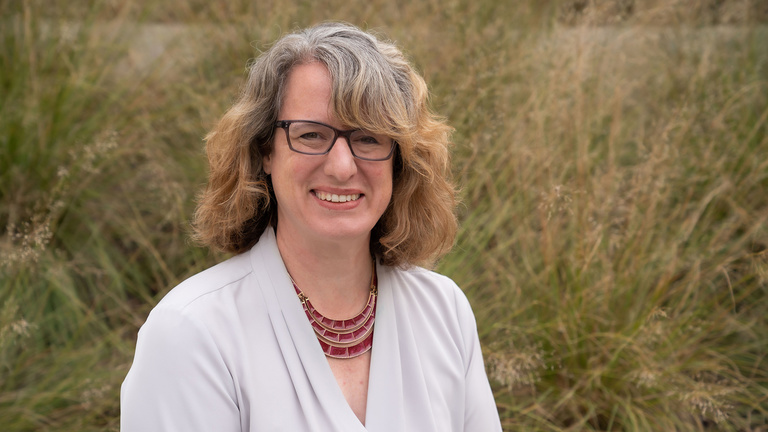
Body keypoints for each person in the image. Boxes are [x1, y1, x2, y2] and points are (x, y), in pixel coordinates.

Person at [120, 22, 502, 431]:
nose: (341, 166)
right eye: (311, 135)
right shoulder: (193, 331)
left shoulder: (444, 311)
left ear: (401, 158)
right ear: (264, 150)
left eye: (369, 138)